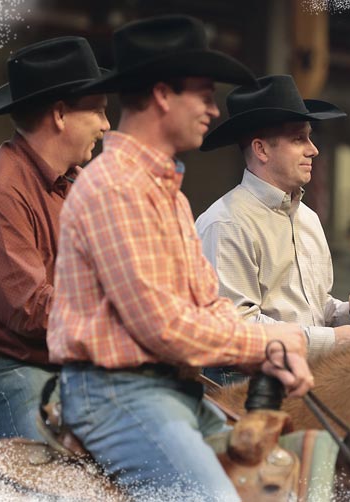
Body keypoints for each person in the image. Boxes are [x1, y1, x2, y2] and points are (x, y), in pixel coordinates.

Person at [46, 16, 313, 500]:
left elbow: (207, 303)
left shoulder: (166, 192)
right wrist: (267, 342)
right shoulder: (114, 187)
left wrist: (272, 347)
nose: (213, 109)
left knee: (282, 482)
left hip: (167, 390)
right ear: (164, 94)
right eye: (205, 94)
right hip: (114, 395)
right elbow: (163, 327)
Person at [0, 36, 110, 441]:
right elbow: (29, 310)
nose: (106, 124)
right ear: (60, 114)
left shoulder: (74, 184)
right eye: (98, 110)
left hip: (52, 354)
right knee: (49, 464)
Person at [195, 75, 350, 372]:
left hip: (303, 381)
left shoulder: (307, 218)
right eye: (299, 139)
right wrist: (331, 340)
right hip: (244, 391)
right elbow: (235, 329)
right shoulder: (226, 223)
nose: (313, 149)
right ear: (261, 150)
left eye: (309, 137)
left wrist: (349, 313)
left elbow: (313, 308)